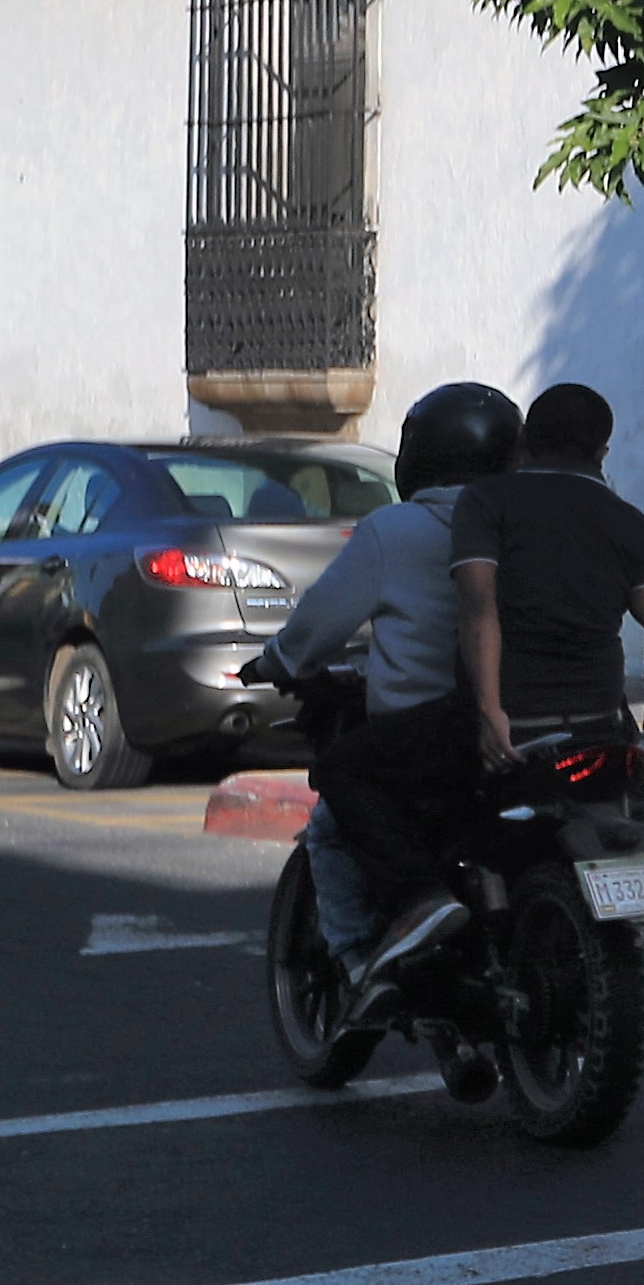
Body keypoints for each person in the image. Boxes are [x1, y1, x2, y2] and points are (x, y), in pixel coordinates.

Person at [265, 377, 519, 971]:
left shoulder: (394, 530)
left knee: (335, 804)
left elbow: (317, 626)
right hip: (542, 719)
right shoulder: (529, 526)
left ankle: (361, 956)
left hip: (439, 731)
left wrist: (275, 661)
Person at [448, 380, 644, 767]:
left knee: (349, 764)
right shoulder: (636, 526)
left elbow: (479, 610)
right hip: (599, 722)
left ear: (524, 440)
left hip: (510, 723)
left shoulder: (485, 501)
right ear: (601, 452)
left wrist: (491, 713)